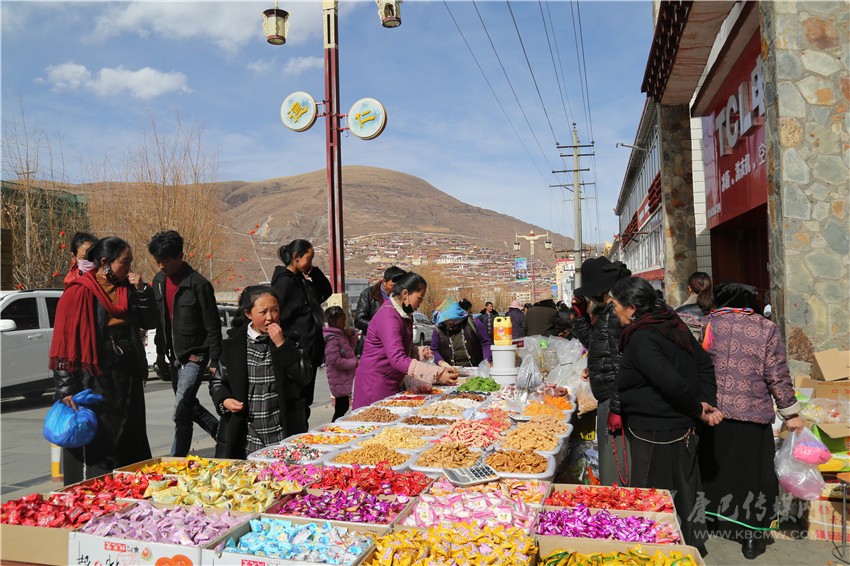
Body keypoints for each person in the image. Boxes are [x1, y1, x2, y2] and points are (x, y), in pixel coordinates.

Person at [609, 276, 721, 552]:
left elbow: (670, 381)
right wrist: (703, 403)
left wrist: (700, 407)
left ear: (632, 308)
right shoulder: (670, 322)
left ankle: (659, 551)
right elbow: (703, 364)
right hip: (679, 425)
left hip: (656, 431)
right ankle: (686, 547)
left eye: (615, 305)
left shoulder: (643, 337)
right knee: (682, 490)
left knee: (655, 496)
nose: (614, 311)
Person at [697, 283, 803, 560]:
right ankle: (752, 538)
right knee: (752, 477)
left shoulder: (709, 324)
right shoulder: (765, 328)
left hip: (715, 414)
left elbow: (699, 365)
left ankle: (712, 522)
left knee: (715, 472)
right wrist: (790, 411)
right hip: (752, 414)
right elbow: (776, 373)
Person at [49, 236, 156, 484]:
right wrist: (66, 388)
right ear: (106, 262)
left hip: (126, 374)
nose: (129, 268)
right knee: (102, 439)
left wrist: (143, 292)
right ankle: (98, 490)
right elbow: (65, 344)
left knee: (130, 433)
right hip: (95, 378)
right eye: (124, 262)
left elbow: (149, 321)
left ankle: (129, 488)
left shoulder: (128, 290)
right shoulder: (79, 291)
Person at [148, 230, 220, 457]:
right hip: (173, 357)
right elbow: (161, 322)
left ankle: (176, 457)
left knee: (181, 408)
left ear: (180, 256)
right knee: (187, 405)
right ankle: (221, 433)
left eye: (166, 261)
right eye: (158, 261)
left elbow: (212, 325)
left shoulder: (199, 284)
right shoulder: (159, 282)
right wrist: (160, 353)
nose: (161, 266)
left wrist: (215, 360)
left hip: (195, 356)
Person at [209, 286, 303, 459]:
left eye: (275, 310)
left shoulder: (291, 340)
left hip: (282, 433)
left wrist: (282, 345)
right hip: (247, 436)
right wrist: (224, 400)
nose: (270, 317)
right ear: (248, 314)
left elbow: (304, 376)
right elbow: (217, 381)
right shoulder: (233, 344)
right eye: (263, 312)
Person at [565, 257, 632, 486]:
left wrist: (617, 408)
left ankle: (618, 506)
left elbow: (622, 363)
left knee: (614, 470)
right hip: (610, 397)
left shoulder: (615, 313)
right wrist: (580, 317)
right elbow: (598, 346)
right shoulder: (609, 311)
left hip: (614, 399)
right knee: (611, 464)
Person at [352, 272, 458, 408]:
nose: (420, 304)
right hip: (375, 384)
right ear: (405, 294)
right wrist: (437, 374)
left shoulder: (404, 314)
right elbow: (397, 358)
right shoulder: (388, 316)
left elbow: (398, 345)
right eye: (419, 298)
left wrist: (419, 351)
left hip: (391, 381)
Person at [271, 239, 333, 432]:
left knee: (304, 403)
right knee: (297, 404)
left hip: (309, 354)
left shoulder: (301, 282)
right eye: (309, 258)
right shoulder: (285, 283)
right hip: (297, 352)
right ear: (296, 257)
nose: (310, 263)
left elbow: (325, 291)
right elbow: (277, 316)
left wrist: (312, 270)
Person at [354, 266, 406, 355]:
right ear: (384, 282)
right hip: (373, 348)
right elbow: (359, 320)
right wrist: (382, 326)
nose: (396, 289)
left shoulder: (403, 297)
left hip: (395, 347)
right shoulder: (368, 294)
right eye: (393, 286)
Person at [430, 300, 492, 370]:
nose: (446, 323)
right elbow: (434, 350)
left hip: (475, 368)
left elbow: (486, 342)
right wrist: (441, 362)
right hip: (450, 371)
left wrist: (486, 361)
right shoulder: (439, 328)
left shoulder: (473, 322)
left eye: (448, 320)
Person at [324, 306, 358, 422]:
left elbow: (350, 348)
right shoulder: (332, 338)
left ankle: (336, 425)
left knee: (342, 407)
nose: (344, 324)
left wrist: (351, 334)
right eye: (342, 321)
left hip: (344, 378)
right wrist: (353, 363)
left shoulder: (340, 335)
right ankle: (334, 427)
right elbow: (335, 361)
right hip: (338, 378)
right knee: (341, 408)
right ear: (332, 322)